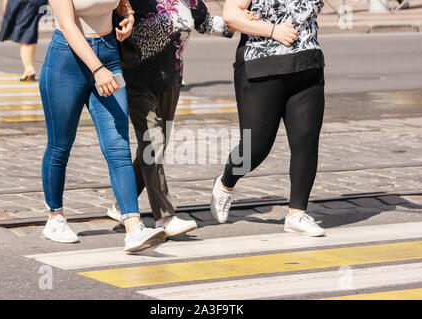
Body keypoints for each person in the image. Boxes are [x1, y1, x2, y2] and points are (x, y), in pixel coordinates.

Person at [106, 0, 253, 238]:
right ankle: (164, 217)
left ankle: (124, 203)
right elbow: (111, 25)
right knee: (153, 143)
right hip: (134, 79)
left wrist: (240, 21)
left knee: (153, 146)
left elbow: (204, 22)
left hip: (170, 80)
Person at [40, 0, 167, 252]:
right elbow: (67, 25)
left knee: (118, 145)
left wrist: (127, 16)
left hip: (108, 54)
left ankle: (133, 226)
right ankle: (55, 217)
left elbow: (119, 4)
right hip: (67, 60)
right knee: (60, 145)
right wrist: (97, 69)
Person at [211, 0, 326, 237]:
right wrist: (273, 30)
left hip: (307, 64)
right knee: (255, 147)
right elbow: (231, 16)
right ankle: (226, 182)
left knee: (306, 140)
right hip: (260, 64)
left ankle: (296, 213)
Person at [0, 0, 48, 81]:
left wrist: (5, 5)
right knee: (30, 28)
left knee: (25, 31)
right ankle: (28, 68)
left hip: (23, 3)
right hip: (38, 2)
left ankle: (29, 69)